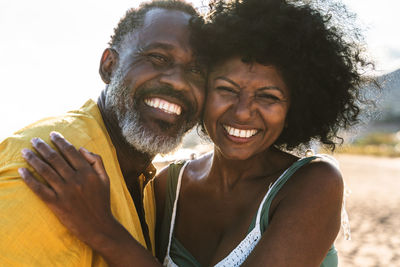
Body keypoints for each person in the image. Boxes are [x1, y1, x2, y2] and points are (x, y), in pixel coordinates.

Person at [19, 0, 375, 266]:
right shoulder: (164, 187)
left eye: (268, 97)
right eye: (226, 89)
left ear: (294, 107)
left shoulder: (313, 182)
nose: (242, 112)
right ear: (202, 91)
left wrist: (100, 228)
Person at [0, 1, 207, 266]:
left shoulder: (143, 178)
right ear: (109, 66)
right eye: (158, 57)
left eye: (197, 70)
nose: (178, 81)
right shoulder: (50, 170)